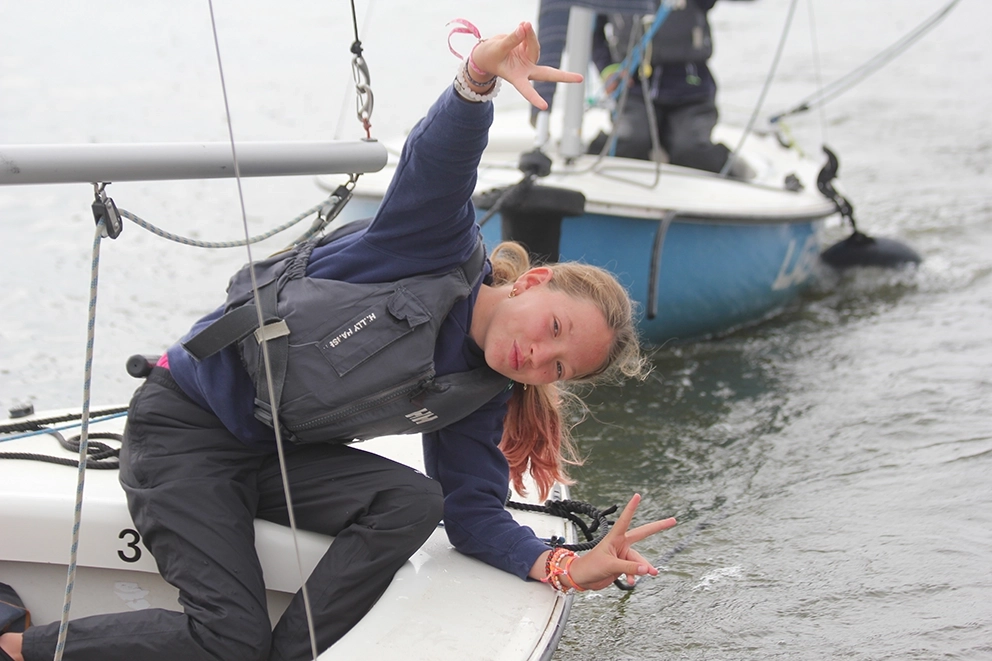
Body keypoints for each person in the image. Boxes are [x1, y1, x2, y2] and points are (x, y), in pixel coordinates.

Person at [1, 21, 676, 661]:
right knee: (228, 640)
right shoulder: (431, 245)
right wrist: (477, 79)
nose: (537, 355)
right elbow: (439, 161)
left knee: (416, 500)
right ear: (533, 281)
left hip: (274, 458)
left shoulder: (480, 392)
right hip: (185, 428)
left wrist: (565, 564)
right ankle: (19, 645)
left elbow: (472, 513)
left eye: (557, 365)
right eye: (553, 328)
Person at [534, 0, 755, 178]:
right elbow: (591, 31)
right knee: (631, 141)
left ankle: (735, 169)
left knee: (689, 149)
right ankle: (587, 157)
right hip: (633, 90)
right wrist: (607, 69)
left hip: (690, 92)